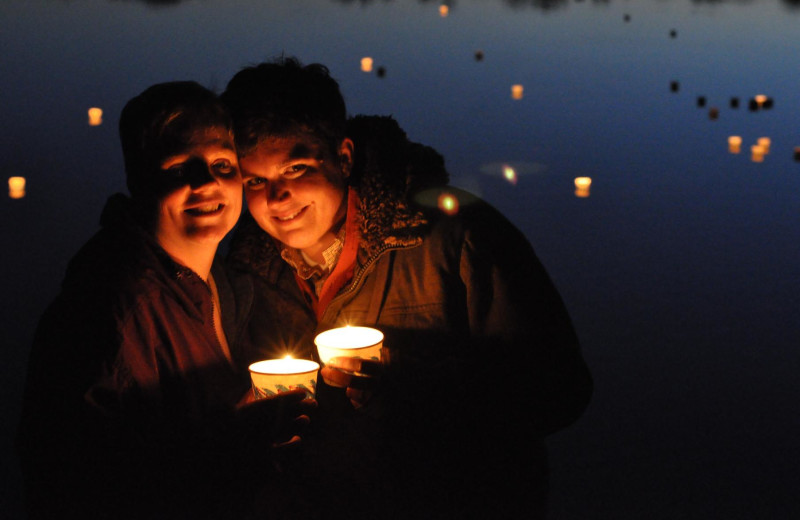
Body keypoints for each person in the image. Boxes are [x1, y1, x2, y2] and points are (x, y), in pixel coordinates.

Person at [222, 57, 593, 519]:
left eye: (296, 169)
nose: (276, 199)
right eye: (255, 180)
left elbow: (561, 390)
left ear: (344, 156)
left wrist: (412, 384)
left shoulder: (455, 238)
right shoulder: (247, 273)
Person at [16, 81, 314, 520]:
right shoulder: (113, 309)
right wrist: (233, 444)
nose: (206, 182)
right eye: (179, 170)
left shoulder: (226, 285)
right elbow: (73, 484)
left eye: (222, 165)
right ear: (139, 182)